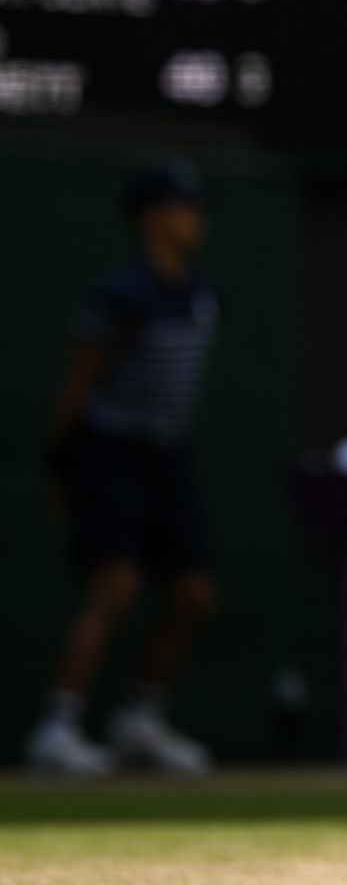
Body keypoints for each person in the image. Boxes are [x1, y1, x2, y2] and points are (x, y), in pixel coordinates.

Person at [26, 159, 221, 777]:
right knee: (115, 586)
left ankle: (141, 719)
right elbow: (77, 389)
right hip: (110, 451)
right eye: (181, 206)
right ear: (150, 217)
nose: (195, 218)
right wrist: (63, 465)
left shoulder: (204, 297)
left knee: (192, 595)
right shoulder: (118, 298)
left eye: (196, 205)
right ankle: (57, 728)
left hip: (168, 454)